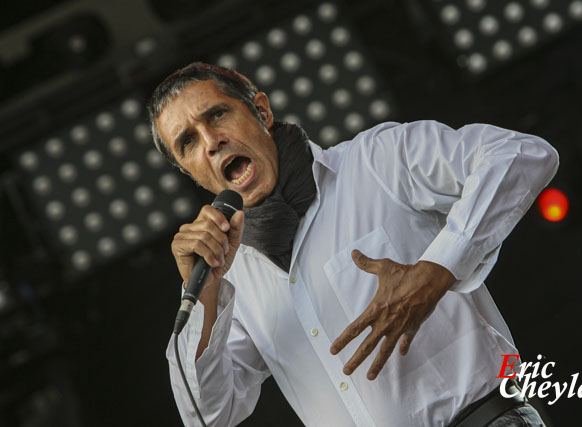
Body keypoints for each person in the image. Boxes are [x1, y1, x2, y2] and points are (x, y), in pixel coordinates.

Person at [148, 61, 558, 426]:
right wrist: (202, 290)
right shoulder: (228, 275)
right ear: (190, 172)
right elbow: (210, 416)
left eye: (217, 114)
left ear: (261, 110)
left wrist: (439, 268)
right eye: (187, 141)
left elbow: (520, 154)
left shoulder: (376, 161)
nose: (210, 140)